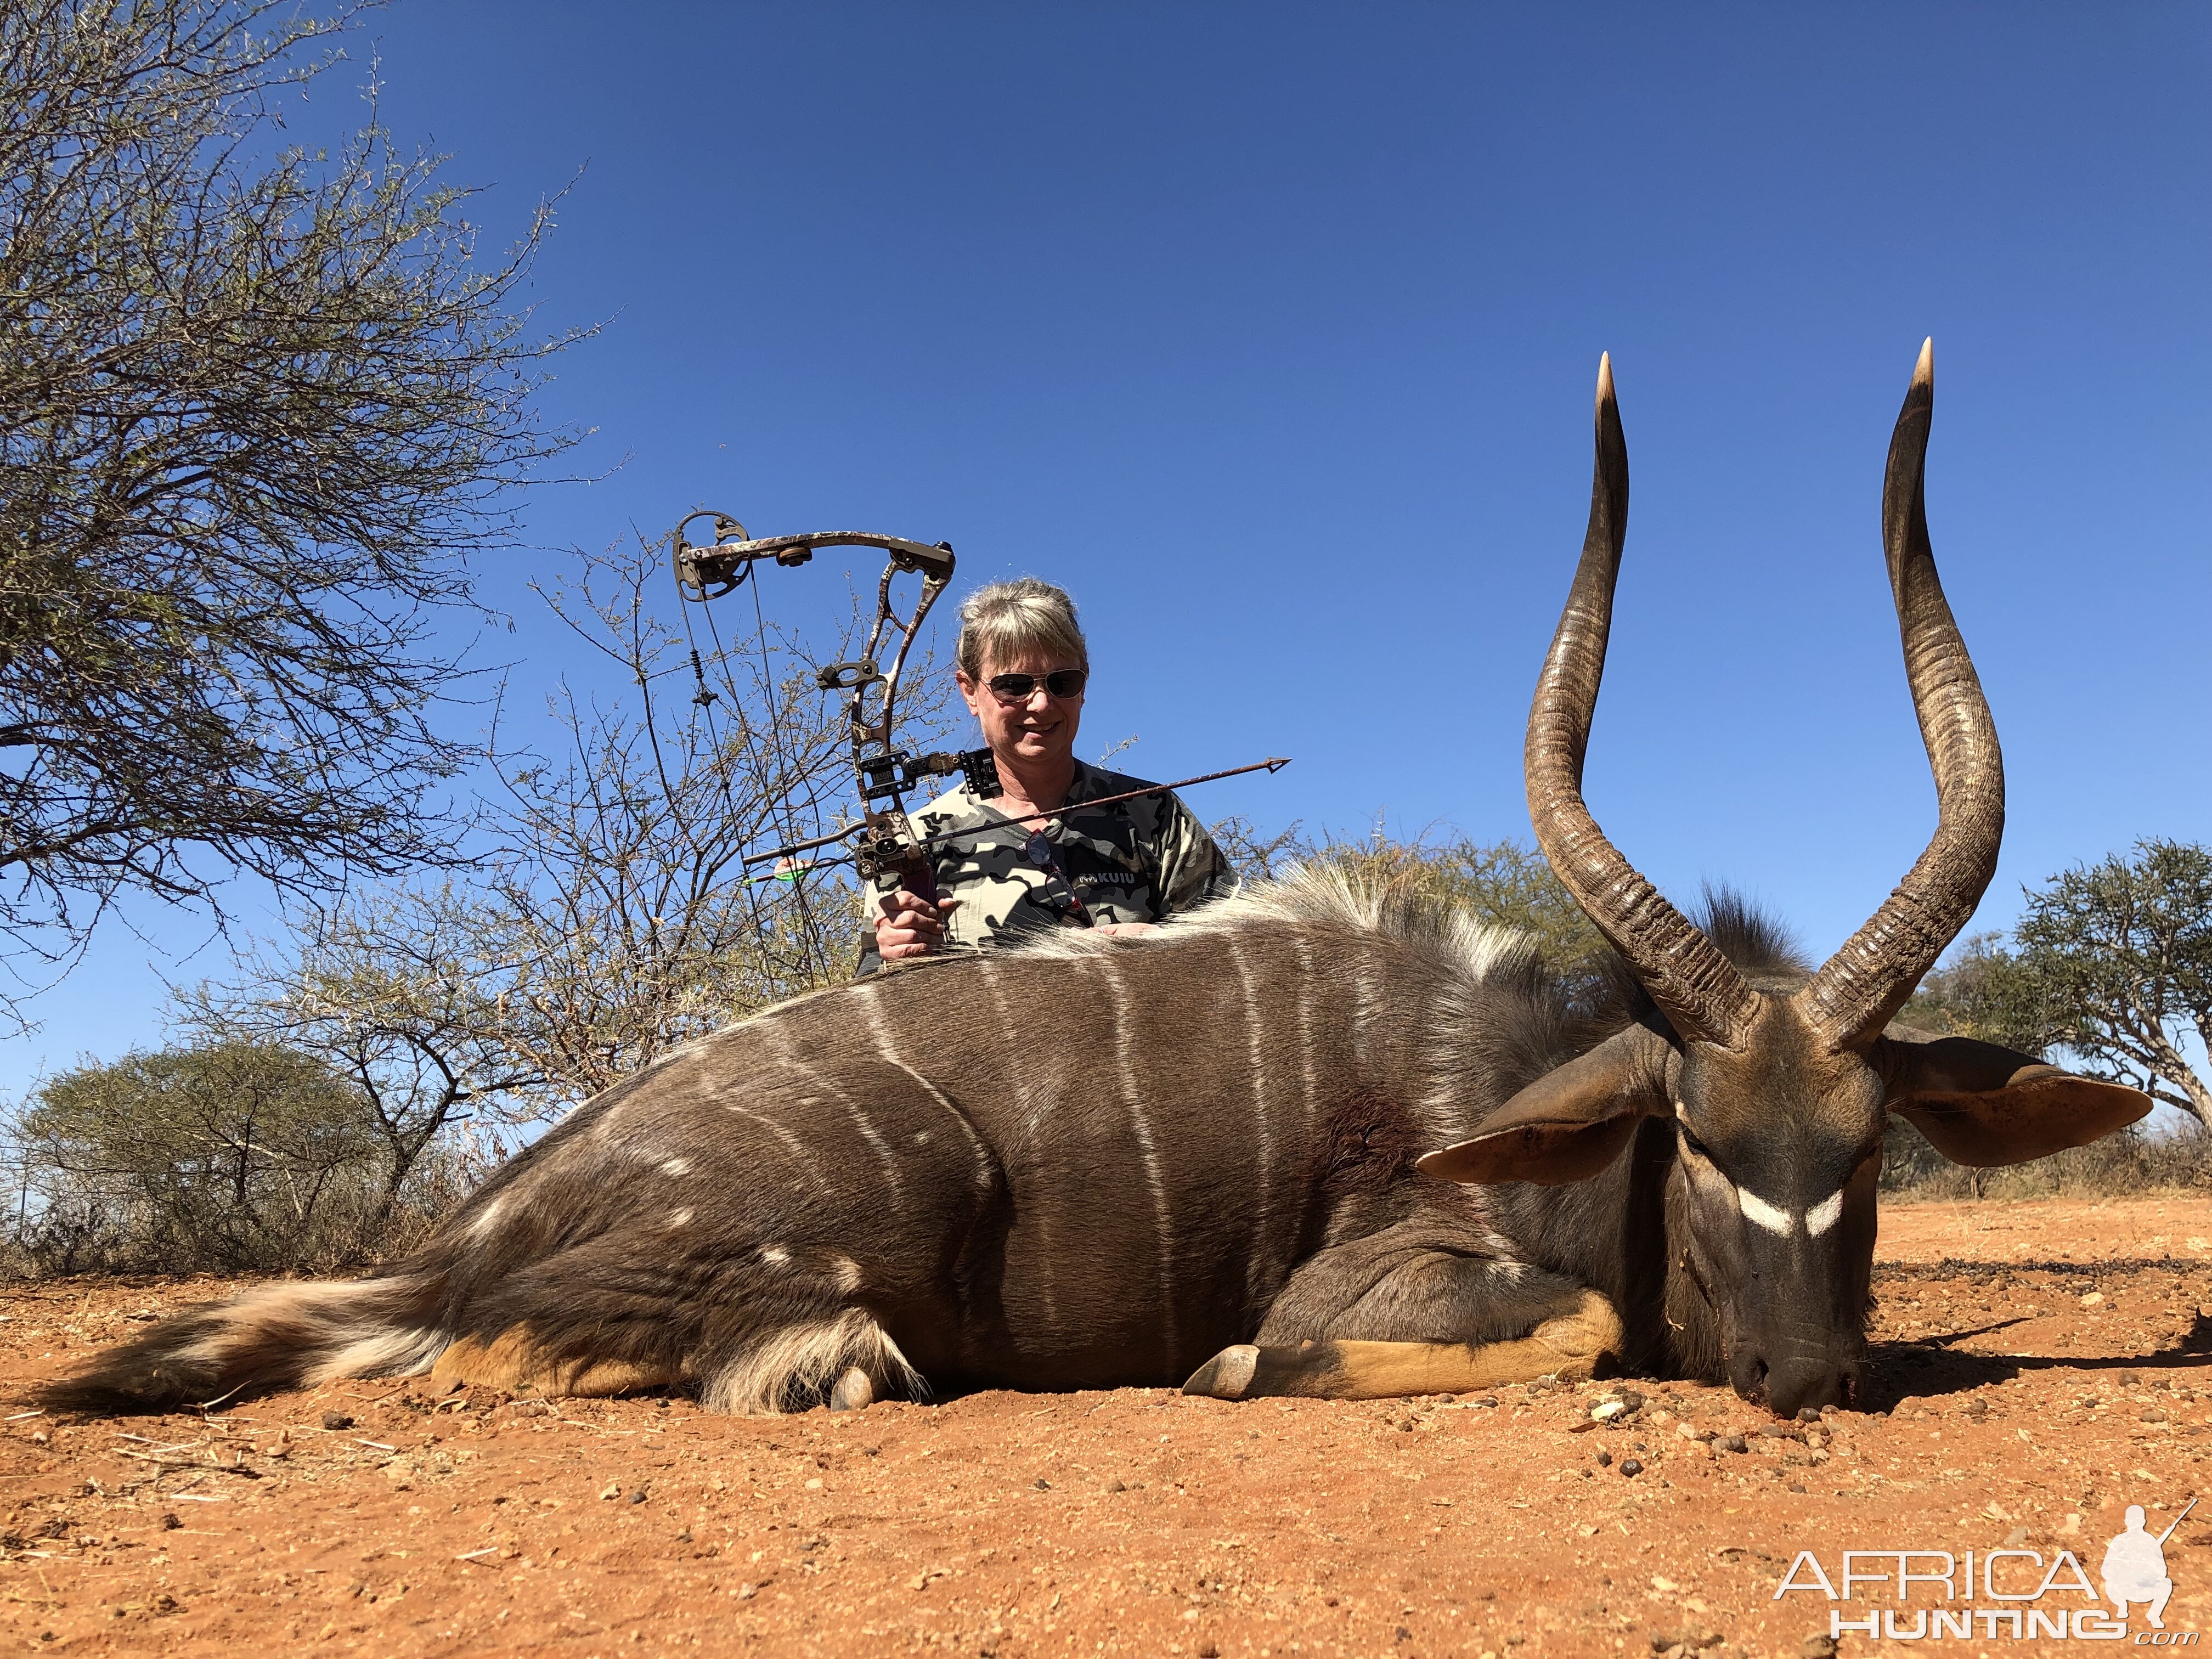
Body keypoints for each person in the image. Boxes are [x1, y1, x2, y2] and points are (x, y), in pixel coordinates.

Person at [860, 578, 1235, 971]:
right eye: (1013, 686)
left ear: (1084, 686)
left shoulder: (1154, 814)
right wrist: (891, 956)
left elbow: (1239, 955)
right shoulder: (912, 843)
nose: (1041, 704)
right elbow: (871, 1000)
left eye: (1062, 683)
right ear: (970, 691)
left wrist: (1164, 950)